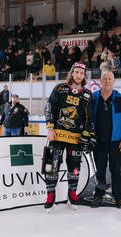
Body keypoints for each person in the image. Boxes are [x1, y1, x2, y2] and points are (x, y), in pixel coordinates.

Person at [43, 62, 95, 210]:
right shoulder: (60, 88)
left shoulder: (87, 94)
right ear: (72, 73)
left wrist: (87, 135)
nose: (78, 75)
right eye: (76, 72)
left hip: (75, 138)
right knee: (49, 165)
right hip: (56, 135)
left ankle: (72, 193)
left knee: (75, 167)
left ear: (84, 76)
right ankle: (50, 194)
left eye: (81, 73)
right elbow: (49, 108)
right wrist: (50, 128)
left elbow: (89, 119)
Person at [91, 70, 121, 209]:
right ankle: (98, 195)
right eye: (104, 79)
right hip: (98, 141)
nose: (107, 81)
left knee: (116, 170)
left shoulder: (120, 98)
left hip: (116, 141)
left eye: (109, 79)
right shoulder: (94, 97)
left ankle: (118, 197)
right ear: (100, 81)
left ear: (114, 81)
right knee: (100, 170)